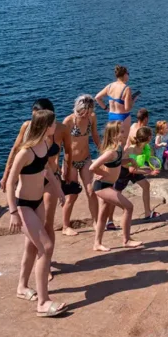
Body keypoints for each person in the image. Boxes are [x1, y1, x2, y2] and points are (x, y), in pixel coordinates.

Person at [6, 106, 67, 317]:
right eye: (53, 122)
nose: (56, 125)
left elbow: (47, 170)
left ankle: (22, 287)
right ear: (46, 125)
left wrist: (59, 191)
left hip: (38, 202)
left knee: (32, 247)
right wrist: (13, 211)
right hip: (23, 205)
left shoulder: (43, 144)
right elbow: (10, 182)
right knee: (46, 247)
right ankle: (43, 302)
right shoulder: (25, 151)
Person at [1, 99, 71, 274]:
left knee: (48, 224)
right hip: (31, 179)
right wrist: (6, 173)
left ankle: (45, 262)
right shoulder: (27, 127)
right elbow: (16, 149)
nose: (34, 120)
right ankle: (42, 263)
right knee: (35, 234)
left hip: (50, 178)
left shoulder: (61, 129)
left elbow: (68, 151)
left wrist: (65, 174)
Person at [91, 121, 144, 252]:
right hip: (103, 186)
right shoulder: (110, 152)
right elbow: (93, 167)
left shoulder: (119, 148)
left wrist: (130, 160)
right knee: (128, 207)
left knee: (103, 214)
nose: (124, 133)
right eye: (121, 132)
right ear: (114, 135)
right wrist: (103, 173)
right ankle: (126, 240)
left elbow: (118, 163)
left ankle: (97, 243)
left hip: (109, 185)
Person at [61, 95, 100, 236]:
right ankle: (65, 226)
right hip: (71, 161)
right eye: (84, 112)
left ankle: (97, 222)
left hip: (86, 158)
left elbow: (95, 135)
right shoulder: (69, 121)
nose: (87, 115)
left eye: (89, 112)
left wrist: (102, 150)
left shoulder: (92, 118)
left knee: (91, 191)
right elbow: (62, 145)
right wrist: (63, 167)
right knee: (72, 195)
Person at [107, 125, 161, 225]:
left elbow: (148, 159)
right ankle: (109, 221)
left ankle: (147, 213)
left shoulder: (146, 147)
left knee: (146, 185)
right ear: (148, 138)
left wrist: (153, 165)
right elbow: (132, 169)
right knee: (116, 195)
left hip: (135, 170)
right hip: (123, 172)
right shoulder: (132, 150)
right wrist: (149, 172)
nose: (152, 137)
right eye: (151, 136)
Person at [95, 65, 139, 138]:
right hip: (123, 117)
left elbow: (97, 97)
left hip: (111, 116)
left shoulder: (109, 86)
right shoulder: (126, 88)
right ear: (124, 75)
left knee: (113, 140)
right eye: (128, 74)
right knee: (123, 141)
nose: (128, 75)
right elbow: (127, 108)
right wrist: (133, 100)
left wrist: (106, 109)